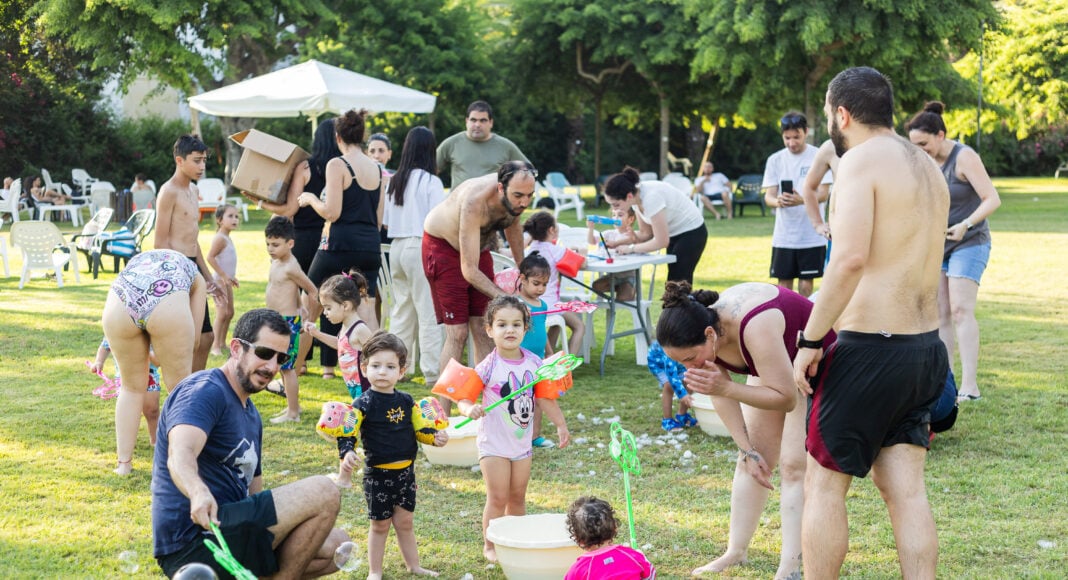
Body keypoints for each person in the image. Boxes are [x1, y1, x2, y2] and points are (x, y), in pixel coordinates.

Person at [792, 66, 950, 579]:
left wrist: (811, 338)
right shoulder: (925, 164)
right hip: (925, 350)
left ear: (841, 113)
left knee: (823, 484)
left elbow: (849, 259)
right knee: (905, 491)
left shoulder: (859, 161)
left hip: (870, 350)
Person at [151, 308, 350, 578]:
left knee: (336, 545)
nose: (272, 367)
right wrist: (198, 492)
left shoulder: (252, 415)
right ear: (236, 348)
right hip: (194, 538)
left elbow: (255, 495)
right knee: (324, 490)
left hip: (232, 527)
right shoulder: (204, 391)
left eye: (282, 358)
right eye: (265, 353)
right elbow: (180, 453)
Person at [656, 280, 834, 578]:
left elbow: (786, 398)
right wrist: (747, 448)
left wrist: (726, 386)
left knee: (793, 466)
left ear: (710, 335)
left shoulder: (755, 327)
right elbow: (722, 393)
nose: (690, 366)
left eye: (689, 358)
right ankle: (735, 551)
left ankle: (790, 566)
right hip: (774, 369)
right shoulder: (705, 334)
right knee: (751, 460)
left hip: (816, 365)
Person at [454, 295, 570, 562]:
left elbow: (543, 397)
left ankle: (516, 542)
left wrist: (561, 425)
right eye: (502, 325)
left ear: (525, 328)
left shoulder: (534, 362)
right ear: (489, 330)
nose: (510, 330)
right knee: (497, 497)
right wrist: (468, 409)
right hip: (493, 444)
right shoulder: (488, 366)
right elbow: (463, 397)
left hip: (521, 445)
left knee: (517, 497)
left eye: (516, 325)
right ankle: (490, 545)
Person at [329, 332, 447, 578]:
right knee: (379, 525)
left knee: (405, 523)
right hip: (378, 476)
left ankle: (413, 566)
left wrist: (434, 438)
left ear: (401, 371)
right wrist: (347, 450)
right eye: (376, 366)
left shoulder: (406, 401)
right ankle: (375, 571)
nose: (382, 372)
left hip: (406, 474)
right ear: (364, 368)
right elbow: (347, 431)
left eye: (390, 366)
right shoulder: (363, 403)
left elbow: (421, 429)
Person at [422, 160, 535, 413]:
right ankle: (444, 414)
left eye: (529, 196)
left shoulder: (515, 200)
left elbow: (513, 228)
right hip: (442, 248)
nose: (524, 202)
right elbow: (469, 270)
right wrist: (509, 299)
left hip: (478, 247)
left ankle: (490, 408)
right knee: (458, 333)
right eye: (518, 195)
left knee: (485, 328)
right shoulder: (476, 201)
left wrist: (523, 272)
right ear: (500, 188)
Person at [907, 101, 1002, 402]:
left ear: (940, 134)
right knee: (941, 314)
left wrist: (965, 224)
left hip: (970, 241)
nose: (920, 150)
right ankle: (946, 384)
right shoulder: (924, 161)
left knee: (961, 310)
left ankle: (970, 387)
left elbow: (992, 199)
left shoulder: (965, 158)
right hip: (938, 244)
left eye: (924, 144)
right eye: (915, 146)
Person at [101, 248, 206, 475]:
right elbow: (196, 341)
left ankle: (124, 465)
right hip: (167, 303)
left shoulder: (139, 262)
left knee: (130, 388)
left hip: (120, 301)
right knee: (180, 390)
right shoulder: (196, 275)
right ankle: (182, 459)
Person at [299, 110, 385, 378]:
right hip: (370, 244)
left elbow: (332, 212)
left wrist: (311, 199)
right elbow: (379, 219)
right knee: (367, 307)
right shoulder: (378, 169)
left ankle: (296, 366)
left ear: (337, 137)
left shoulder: (337, 165)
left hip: (339, 243)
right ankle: (378, 368)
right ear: (362, 136)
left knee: (309, 297)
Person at [254, 118, 341, 377]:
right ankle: (328, 366)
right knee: (329, 299)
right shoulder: (341, 168)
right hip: (329, 237)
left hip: (302, 237)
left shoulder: (306, 166)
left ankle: (300, 362)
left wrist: (260, 204)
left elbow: (291, 208)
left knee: (301, 301)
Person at [384, 126, 446, 386]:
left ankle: (395, 367)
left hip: (396, 247)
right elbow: (438, 221)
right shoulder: (431, 182)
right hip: (422, 245)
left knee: (402, 311)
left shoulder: (395, 180)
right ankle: (432, 372)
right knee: (429, 311)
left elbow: (386, 222)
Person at [155, 134, 221, 372]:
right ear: (179, 160)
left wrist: (209, 278)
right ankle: (184, 390)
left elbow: (193, 241)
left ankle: (194, 386)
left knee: (206, 337)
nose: (202, 166)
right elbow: (160, 242)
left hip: (193, 266)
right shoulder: (168, 191)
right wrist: (185, 274)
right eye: (196, 160)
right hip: (175, 268)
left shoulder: (194, 191)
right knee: (191, 338)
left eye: (204, 160)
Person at [761, 112, 833, 297]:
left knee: (806, 287)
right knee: (783, 287)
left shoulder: (819, 155)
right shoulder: (775, 160)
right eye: (787, 138)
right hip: (784, 236)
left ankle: (805, 324)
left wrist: (801, 200)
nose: (792, 143)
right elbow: (768, 197)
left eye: (797, 137)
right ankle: (787, 323)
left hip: (811, 234)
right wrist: (779, 201)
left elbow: (824, 194)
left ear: (806, 132)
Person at [602, 166, 708, 284]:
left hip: (692, 232)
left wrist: (630, 249)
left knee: (677, 282)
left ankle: (686, 302)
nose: (614, 209)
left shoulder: (651, 198)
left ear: (629, 196)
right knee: (674, 284)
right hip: (674, 233)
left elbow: (661, 242)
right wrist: (617, 242)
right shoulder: (635, 199)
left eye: (616, 205)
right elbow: (646, 234)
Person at [263, 216, 319, 423]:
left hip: (288, 322)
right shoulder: (276, 261)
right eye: (268, 244)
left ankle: (293, 413)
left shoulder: (291, 266)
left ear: (290, 243)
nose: (270, 248)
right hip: (277, 319)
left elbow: (312, 290)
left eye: (276, 245)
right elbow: (293, 289)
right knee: (281, 366)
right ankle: (291, 408)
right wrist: (300, 305)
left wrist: (307, 315)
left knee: (287, 369)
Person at [304, 271, 374, 401]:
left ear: (345, 305)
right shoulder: (346, 327)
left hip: (368, 391)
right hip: (356, 389)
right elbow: (340, 344)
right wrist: (316, 333)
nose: (324, 313)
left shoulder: (360, 330)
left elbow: (378, 355)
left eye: (328, 308)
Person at [524, 211, 586, 354]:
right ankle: (568, 367)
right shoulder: (556, 250)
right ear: (551, 230)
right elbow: (582, 264)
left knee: (558, 324)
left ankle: (548, 358)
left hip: (531, 303)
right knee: (579, 327)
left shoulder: (529, 250)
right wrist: (582, 252)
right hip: (549, 304)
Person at [515, 252, 557, 449]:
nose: (541, 288)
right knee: (519, 399)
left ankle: (535, 436)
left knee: (538, 398)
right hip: (518, 360)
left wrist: (549, 352)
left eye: (544, 284)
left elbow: (542, 331)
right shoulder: (516, 305)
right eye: (536, 283)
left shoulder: (543, 305)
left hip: (537, 361)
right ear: (522, 279)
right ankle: (515, 436)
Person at [436, 100, 529, 188]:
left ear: (491, 123)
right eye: (473, 120)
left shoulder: (505, 146)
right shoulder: (452, 143)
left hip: (492, 204)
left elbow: (528, 172)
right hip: (459, 204)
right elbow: (430, 171)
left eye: (483, 120)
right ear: (466, 121)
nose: (477, 125)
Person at [90, 338, 163, 445]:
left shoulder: (150, 328)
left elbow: (157, 361)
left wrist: (146, 352)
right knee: (129, 411)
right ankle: (127, 442)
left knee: (152, 410)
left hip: (149, 375)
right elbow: (105, 345)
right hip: (125, 378)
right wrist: (99, 361)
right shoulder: (118, 326)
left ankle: (156, 440)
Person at [564, 496, 656, 580]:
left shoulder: (579, 570)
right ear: (615, 528)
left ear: (578, 539)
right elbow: (650, 575)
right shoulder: (632, 555)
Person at [207, 204, 240, 356]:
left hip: (226, 280)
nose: (235, 219)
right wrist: (223, 275)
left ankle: (222, 342)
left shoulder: (227, 237)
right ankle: (214, 346)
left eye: (236, 216)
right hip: (220, 281)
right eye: (230, 216)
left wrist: (231, 277)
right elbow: (210, 257)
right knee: (222, 313)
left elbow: (227, 261)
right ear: (220, 220)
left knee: (230, 312)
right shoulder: (220, 238)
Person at [587, 206, 639, 301]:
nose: (615, 218)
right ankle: (619, 289)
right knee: (596, 286)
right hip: (613, 276)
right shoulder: (609, 233)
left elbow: (633, 241)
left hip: (628, 276)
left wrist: (617, 244)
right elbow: (592, 241)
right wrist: (591, 228)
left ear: (630, 219)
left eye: (620, 215)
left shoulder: (633, 235)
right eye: (613, 215)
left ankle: (628, 289)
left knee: (623, 299)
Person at [646, 340, 696, 432]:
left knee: (689, 381)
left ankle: (682, 415)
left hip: (678, 361)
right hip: (658, 363)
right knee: (669, 385)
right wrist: (682, 395)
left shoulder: (692, 343)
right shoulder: (670, 349)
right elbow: (672, 376)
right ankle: (667, 420)